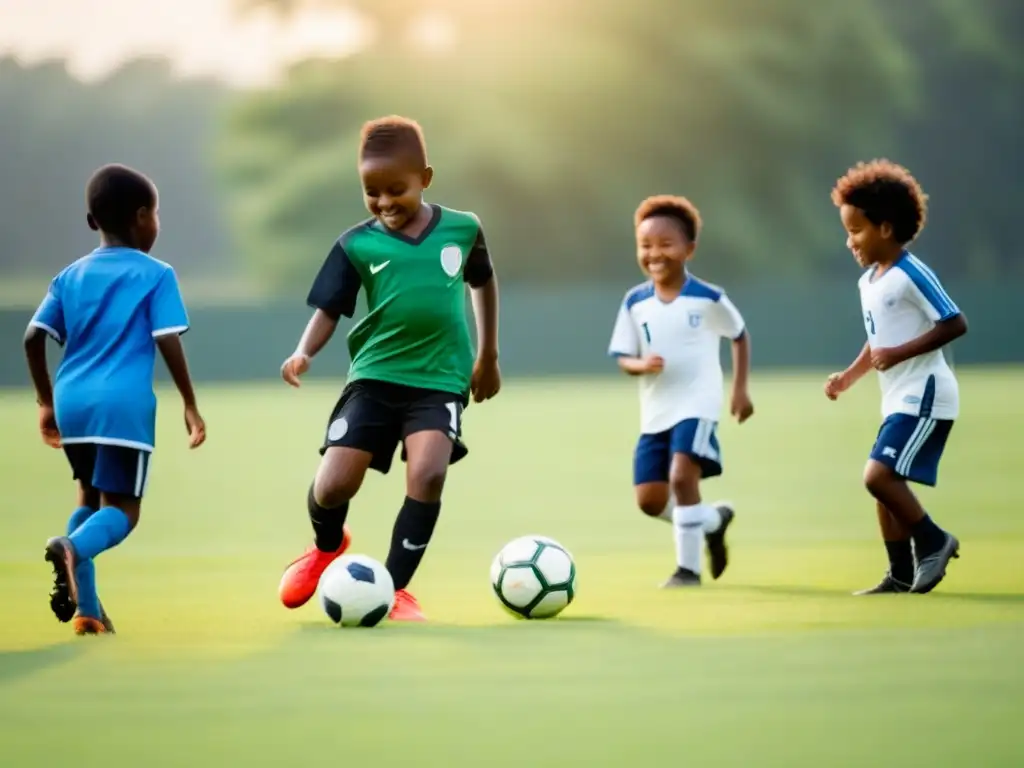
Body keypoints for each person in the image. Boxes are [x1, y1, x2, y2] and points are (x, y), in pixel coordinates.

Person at [278, 116, 501, 621]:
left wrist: (487, 355)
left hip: (439, 378)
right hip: (375, 377)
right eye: (371, 192)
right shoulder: (355, 243)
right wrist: (304, 351)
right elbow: (329, 309)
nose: (384, 203)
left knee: (428, 473)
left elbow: (483, 282)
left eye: (396, 189)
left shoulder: (463, 228)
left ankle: (395, 588)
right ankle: (326, 546)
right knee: (333, 485)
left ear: (425, 177)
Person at [25, 163, 206, 634]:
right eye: (157, 214)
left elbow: (32, 336)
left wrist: (46, 402)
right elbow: (168, 338)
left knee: (88, 494)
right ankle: (72, 548)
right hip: (122, 407)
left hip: (73, 402)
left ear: (92, 221)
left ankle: (88, 611)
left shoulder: (70, 275)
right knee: (123, 511)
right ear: (144, 216)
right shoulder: (155, 273)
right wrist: (189, 403)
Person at [825, 159, 967, 595]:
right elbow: (877, 341)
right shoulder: (870, 281)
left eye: (856, 230)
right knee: (885, 485)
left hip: (926, 394)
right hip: (897, 397)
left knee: (877, 476)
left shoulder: (911, 273)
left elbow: (954, 322)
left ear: (885, 228)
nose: (850, 241)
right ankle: (900, 574)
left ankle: (934, 541)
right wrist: (850, 376)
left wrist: (899, 353)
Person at [608, 195, 754, 588]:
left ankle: (686, 571)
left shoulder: (708, 298)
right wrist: (642, 364)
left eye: (665, 244)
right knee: (650, 500)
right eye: (646, 245)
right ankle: (712, 520)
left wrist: (740, 391)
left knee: (682, 476)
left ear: (689, 249)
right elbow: (624, 357)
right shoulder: (635, 302)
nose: (655, 253)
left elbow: (739, 336)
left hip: (698, 403)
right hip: (656, 410)